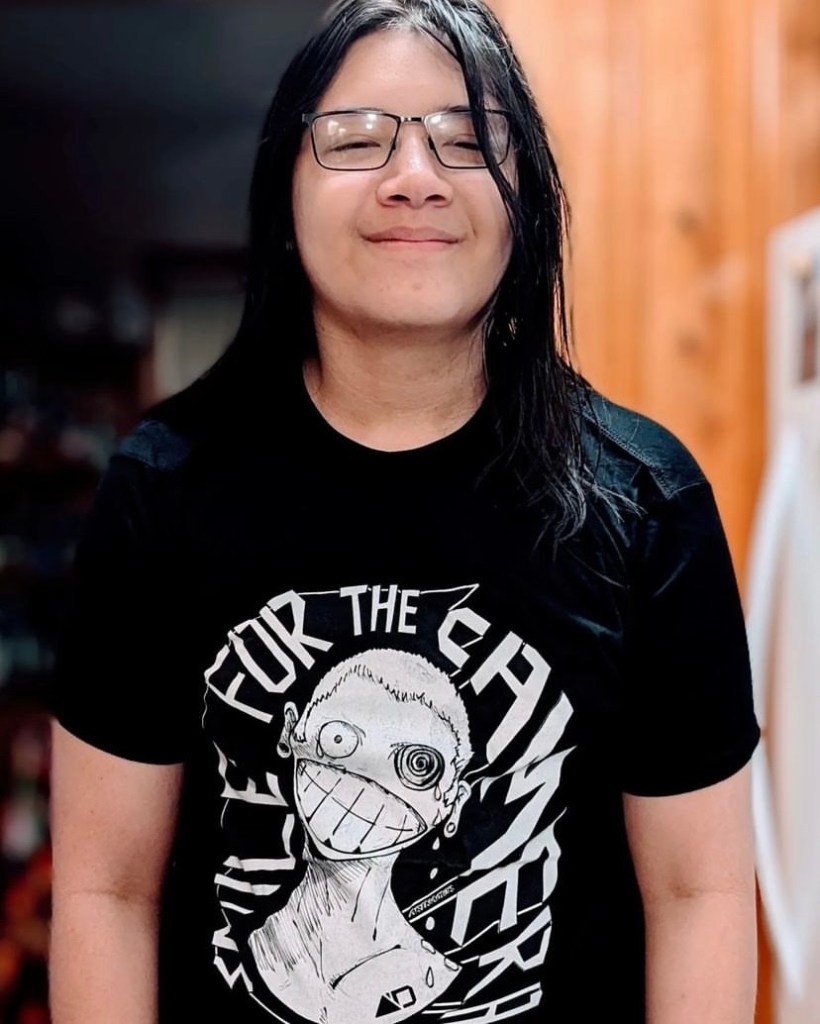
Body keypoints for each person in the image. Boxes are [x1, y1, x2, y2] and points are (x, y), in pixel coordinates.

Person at [47, 1, 761, 1021]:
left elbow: (698, 895)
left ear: (527, 204)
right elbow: (106, 892)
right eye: (355, 140)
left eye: (467, 141)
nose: (414, 176)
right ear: (284, 192)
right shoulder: (162, 492)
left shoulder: (646, 504)